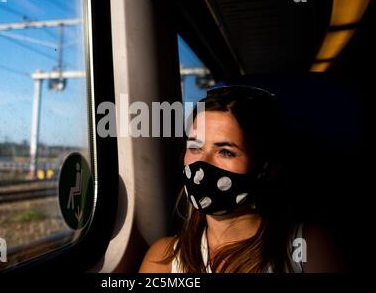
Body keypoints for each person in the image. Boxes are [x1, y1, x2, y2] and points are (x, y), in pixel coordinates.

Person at [139, 85, 344, 273]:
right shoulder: (163, 259)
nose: (202, 163)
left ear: (266, 167)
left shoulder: (309, 248)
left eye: (226, 152)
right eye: (195, 147)